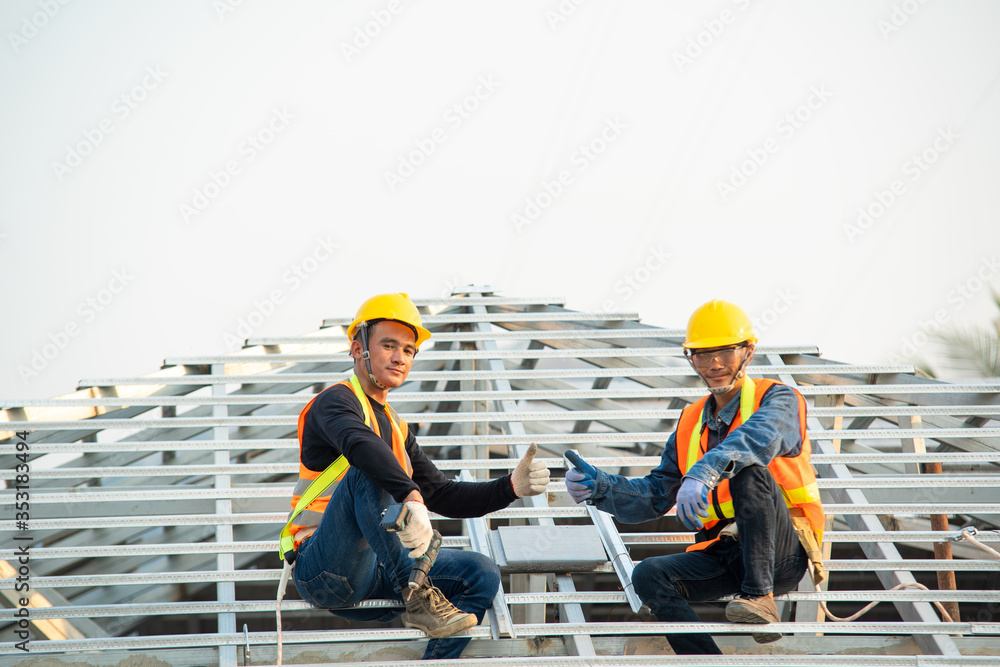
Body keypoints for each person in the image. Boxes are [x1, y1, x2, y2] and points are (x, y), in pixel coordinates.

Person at [283, 293, 549, 660]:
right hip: (324, 567)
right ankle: (418, 595)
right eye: (388, 345)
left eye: (408, 350)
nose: (399, 357)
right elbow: (358, 443)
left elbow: (441, 492)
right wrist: (410, 495)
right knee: (367, 471)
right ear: (358, 348)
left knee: (482, 573)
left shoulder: (396, 426)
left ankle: (430, 640)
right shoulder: (335, 402)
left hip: (377, 568)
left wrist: (510, 487)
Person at [564, 299, 825, 654]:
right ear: (691, 358)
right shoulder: (691, 420)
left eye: (725, 352)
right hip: (725, 553)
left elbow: (754, 440)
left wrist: (702, 474)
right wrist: (601, 487)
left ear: (748, 352)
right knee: (648, 574)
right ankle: (705, 661)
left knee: (750, 473)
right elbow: (656, 493)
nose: (714, 364)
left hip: (780, 555)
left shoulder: (778, 399)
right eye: (702, 354)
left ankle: (761, 599)